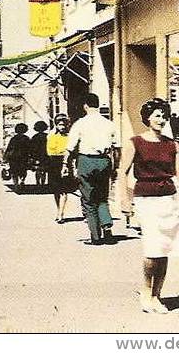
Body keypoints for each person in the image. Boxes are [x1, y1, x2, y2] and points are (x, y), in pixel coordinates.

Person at [119, 98, 179, 314]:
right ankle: (145, 291)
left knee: (165, 250)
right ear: (148, 118)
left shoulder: (172, 144)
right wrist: (124, 199)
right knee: (153, 249)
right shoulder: (135, 142)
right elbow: (122, 172)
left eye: (164, 115)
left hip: (168, 200)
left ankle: (157, 296)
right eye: (157, 115)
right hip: (146, 199)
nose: (162, 119)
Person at [63, 93, 118, 245]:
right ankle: (106, 226)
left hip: (86, 161)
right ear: (98, 105)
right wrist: (115, 167)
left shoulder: (80, 124)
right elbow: (116, 147)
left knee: (88, 199)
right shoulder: (109, 123)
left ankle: (95, 236)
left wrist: (64, 166)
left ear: (85, 106)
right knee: (102, 197)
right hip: (104, 161)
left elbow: (70, 147)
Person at [46, 115, 71, 223]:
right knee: (55, 190)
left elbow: (70, 151)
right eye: (59, 124)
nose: (62, 127)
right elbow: (49, 151)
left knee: (64, 190)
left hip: (65, 163)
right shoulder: (51, 136)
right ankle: (58, 210)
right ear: (56, 125)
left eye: (64, 125)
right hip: (53, 163)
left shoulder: (69, 137)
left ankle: (61, 214)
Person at [4, 123, 31, 190]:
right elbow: (30, 148)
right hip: (24, 157)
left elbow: (9, 148)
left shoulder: (13, 138)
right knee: (23, 170)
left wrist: (6, 157)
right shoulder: (26, 138)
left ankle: (16, 185)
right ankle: (22, 180)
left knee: (14, 171)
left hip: (14, 157)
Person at [30, 121, 49, 187]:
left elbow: (31, 147)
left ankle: (38, 183)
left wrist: (32, 156)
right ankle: (43, 183)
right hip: (46, 155)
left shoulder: (35, 137)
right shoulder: (47, 136)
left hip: (37, 156)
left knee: (38, 170)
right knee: (44, 170)